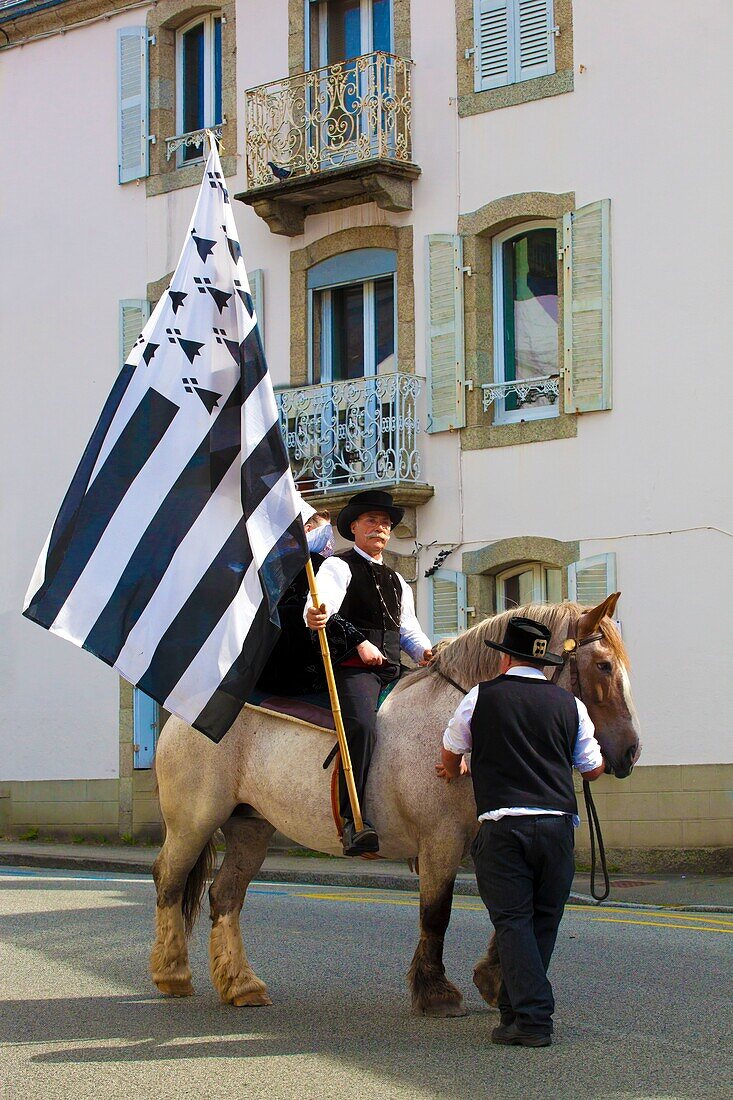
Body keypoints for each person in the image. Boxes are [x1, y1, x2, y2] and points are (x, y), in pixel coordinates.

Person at [436, 616, 606, 1047]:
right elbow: (593, 768)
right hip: (556, 828)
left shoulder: (481, 697)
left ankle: (533, 1020)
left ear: (505, 656)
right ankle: (513, 1009)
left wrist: (454, 769)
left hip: (503, 826)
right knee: (542, 922)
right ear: (542, 661)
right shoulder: (571, 705)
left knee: (513, 922)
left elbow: (452, 748)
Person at [306, 489, 433, 856]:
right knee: (360, 724)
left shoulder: (397, 579)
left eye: (386, 523)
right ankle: (353, 821)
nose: (381, 528)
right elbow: (321, 606)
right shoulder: (338, 566)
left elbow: (407, 629)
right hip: (352, 669)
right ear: (356, 528)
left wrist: (425, 652)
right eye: (373, 521)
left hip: (394, 668)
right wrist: (317, 618)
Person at [256, 510, 332, 697]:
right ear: (307, 529)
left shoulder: (321, 563)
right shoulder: (268, 562)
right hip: (280, 644)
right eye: (325, 533)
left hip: (297, 644)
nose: (329, 542)